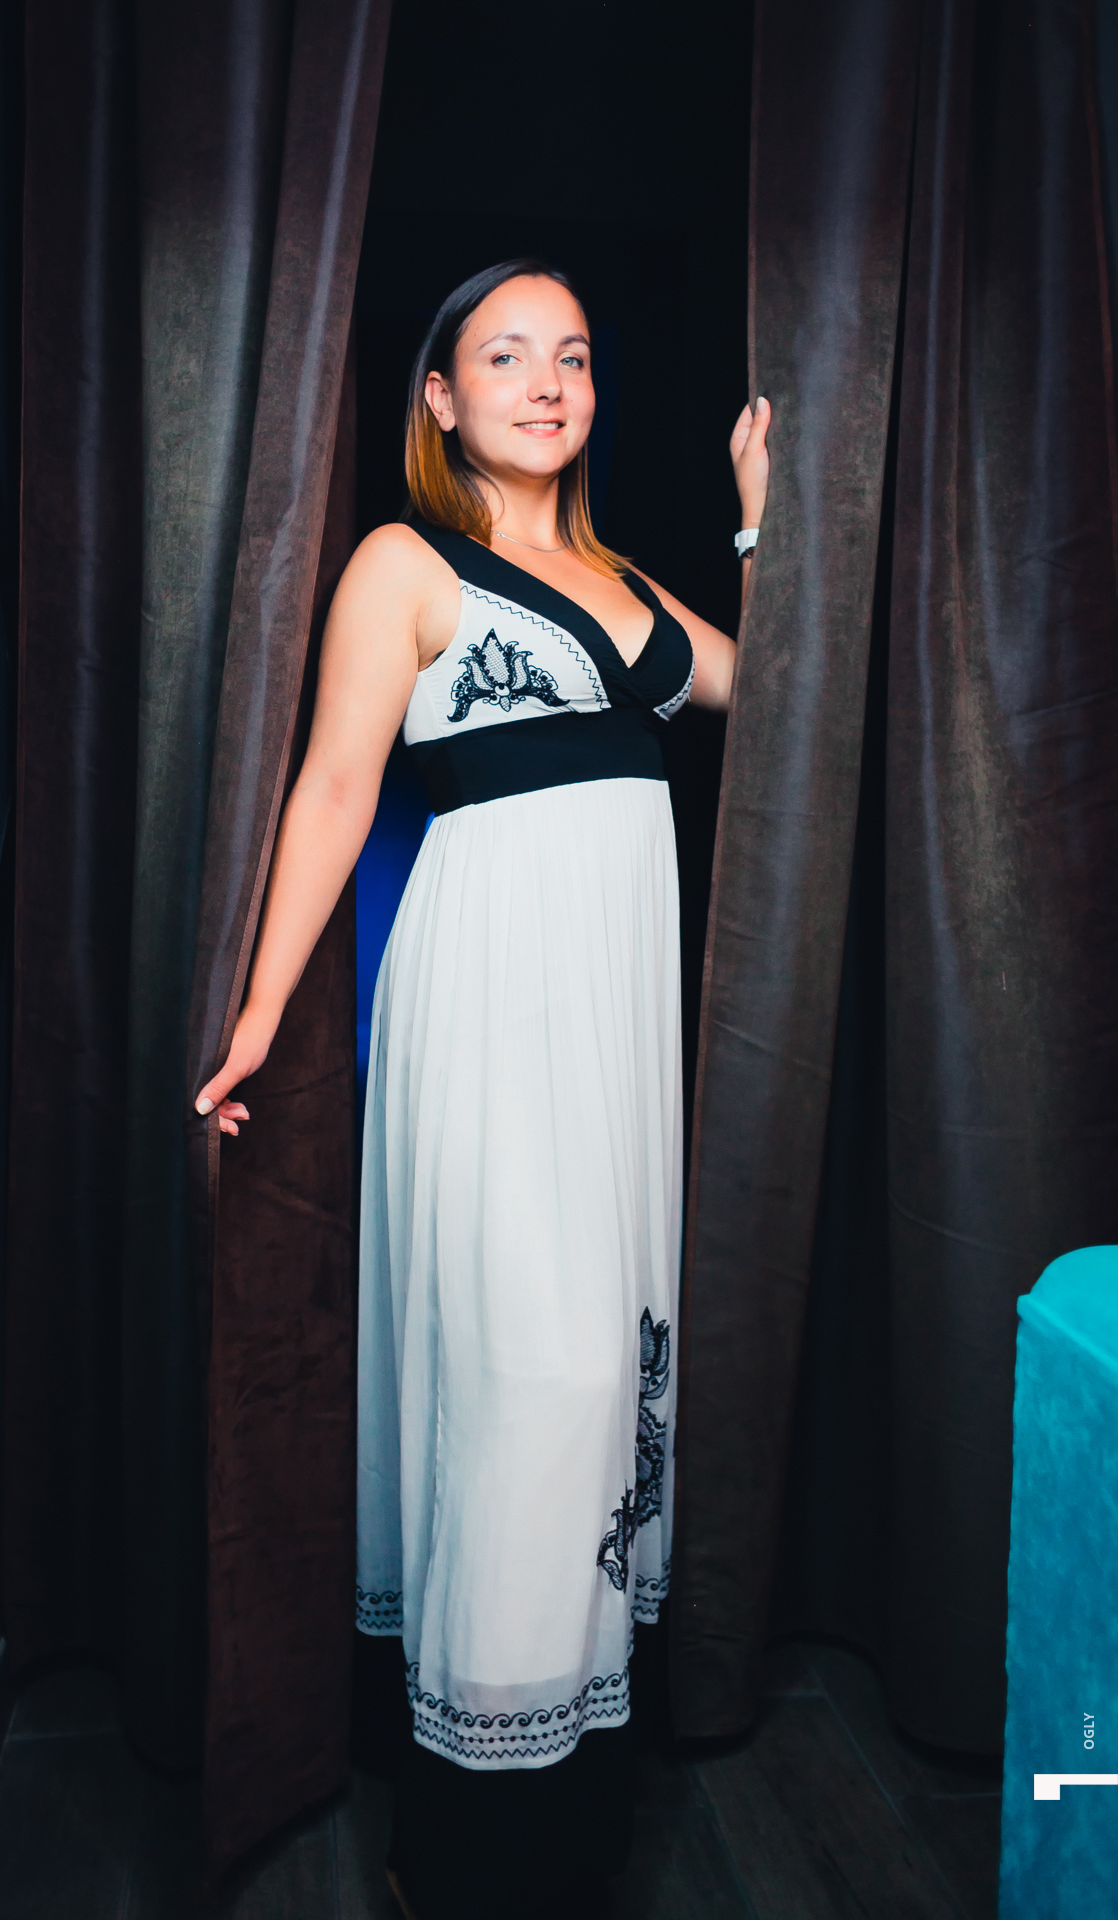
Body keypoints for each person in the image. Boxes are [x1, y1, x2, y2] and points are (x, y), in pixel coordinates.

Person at [195, 259, 771, 1917]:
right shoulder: (404, 563)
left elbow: (771, 696)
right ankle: (461, 1842)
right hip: (490, 1008)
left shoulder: (625, 579)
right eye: (506, 356)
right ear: (441, 399)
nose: (546, 381)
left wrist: (756, 521)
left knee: (599, 1386)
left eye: (571, 355)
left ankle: (562, 1818)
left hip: (616, 1028)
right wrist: (261, 1009)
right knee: (534, 1376)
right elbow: (333, 788)